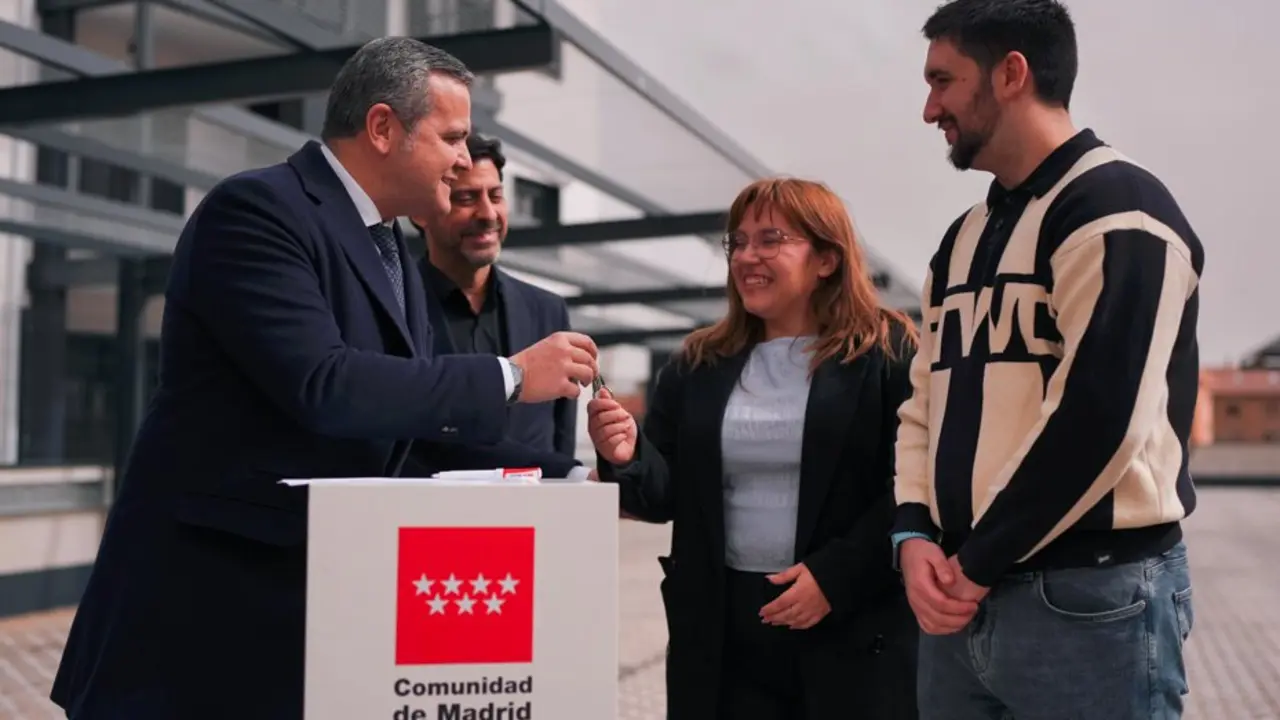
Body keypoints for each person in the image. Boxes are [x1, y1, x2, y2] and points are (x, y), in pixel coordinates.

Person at [50, 38, 598, 720]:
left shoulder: (388, 246)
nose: (464, 159)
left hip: (293, 631)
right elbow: (324, 385)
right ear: (381, 128)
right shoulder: (257, 211)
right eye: (452, 137)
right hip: (198, 628)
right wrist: (510, 376)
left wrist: (575, 482)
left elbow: (408, 425)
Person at [892, 1, 1203, 718]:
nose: (928, 108)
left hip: (1090, 601)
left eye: (943, 80)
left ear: (1010, 74)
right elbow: (922, 404)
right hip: (958, 597)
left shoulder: (1122, 210)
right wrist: (913, 532)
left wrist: (975, 560)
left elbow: (1100, 419)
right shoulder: (963, 238)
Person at [589, 178, 920, 719]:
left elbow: (914, 482)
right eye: (737, 242)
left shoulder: (887, 352)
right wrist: (627, 455)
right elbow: (664, 496)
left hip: (848, 620)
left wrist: (836, 577)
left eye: (771, 240)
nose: (747, 256)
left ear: (826, 259)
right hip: (723, 627)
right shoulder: (699, 362)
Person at [402, 132, 586, 480]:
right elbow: (409, 440)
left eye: (496, 195)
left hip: (529, 524)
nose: (487, 213)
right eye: (466, 198)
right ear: (421, 213)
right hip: (425, 523)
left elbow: (560, 441)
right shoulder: (393, 304)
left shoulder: (548, 312)